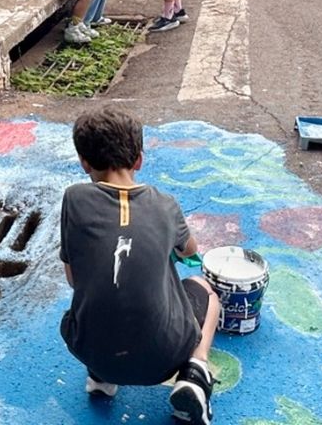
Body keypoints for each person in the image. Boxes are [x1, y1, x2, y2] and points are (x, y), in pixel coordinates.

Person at [59, 107, 220, 424]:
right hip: (163, 359)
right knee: (204, 290)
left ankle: (102, 377)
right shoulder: (165, 204)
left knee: (95, 300)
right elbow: (190, 250)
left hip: (89, 347)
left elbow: (74, 280)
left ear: (84, 163)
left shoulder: (73, 199)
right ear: (139, 160)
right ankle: (194, 374)